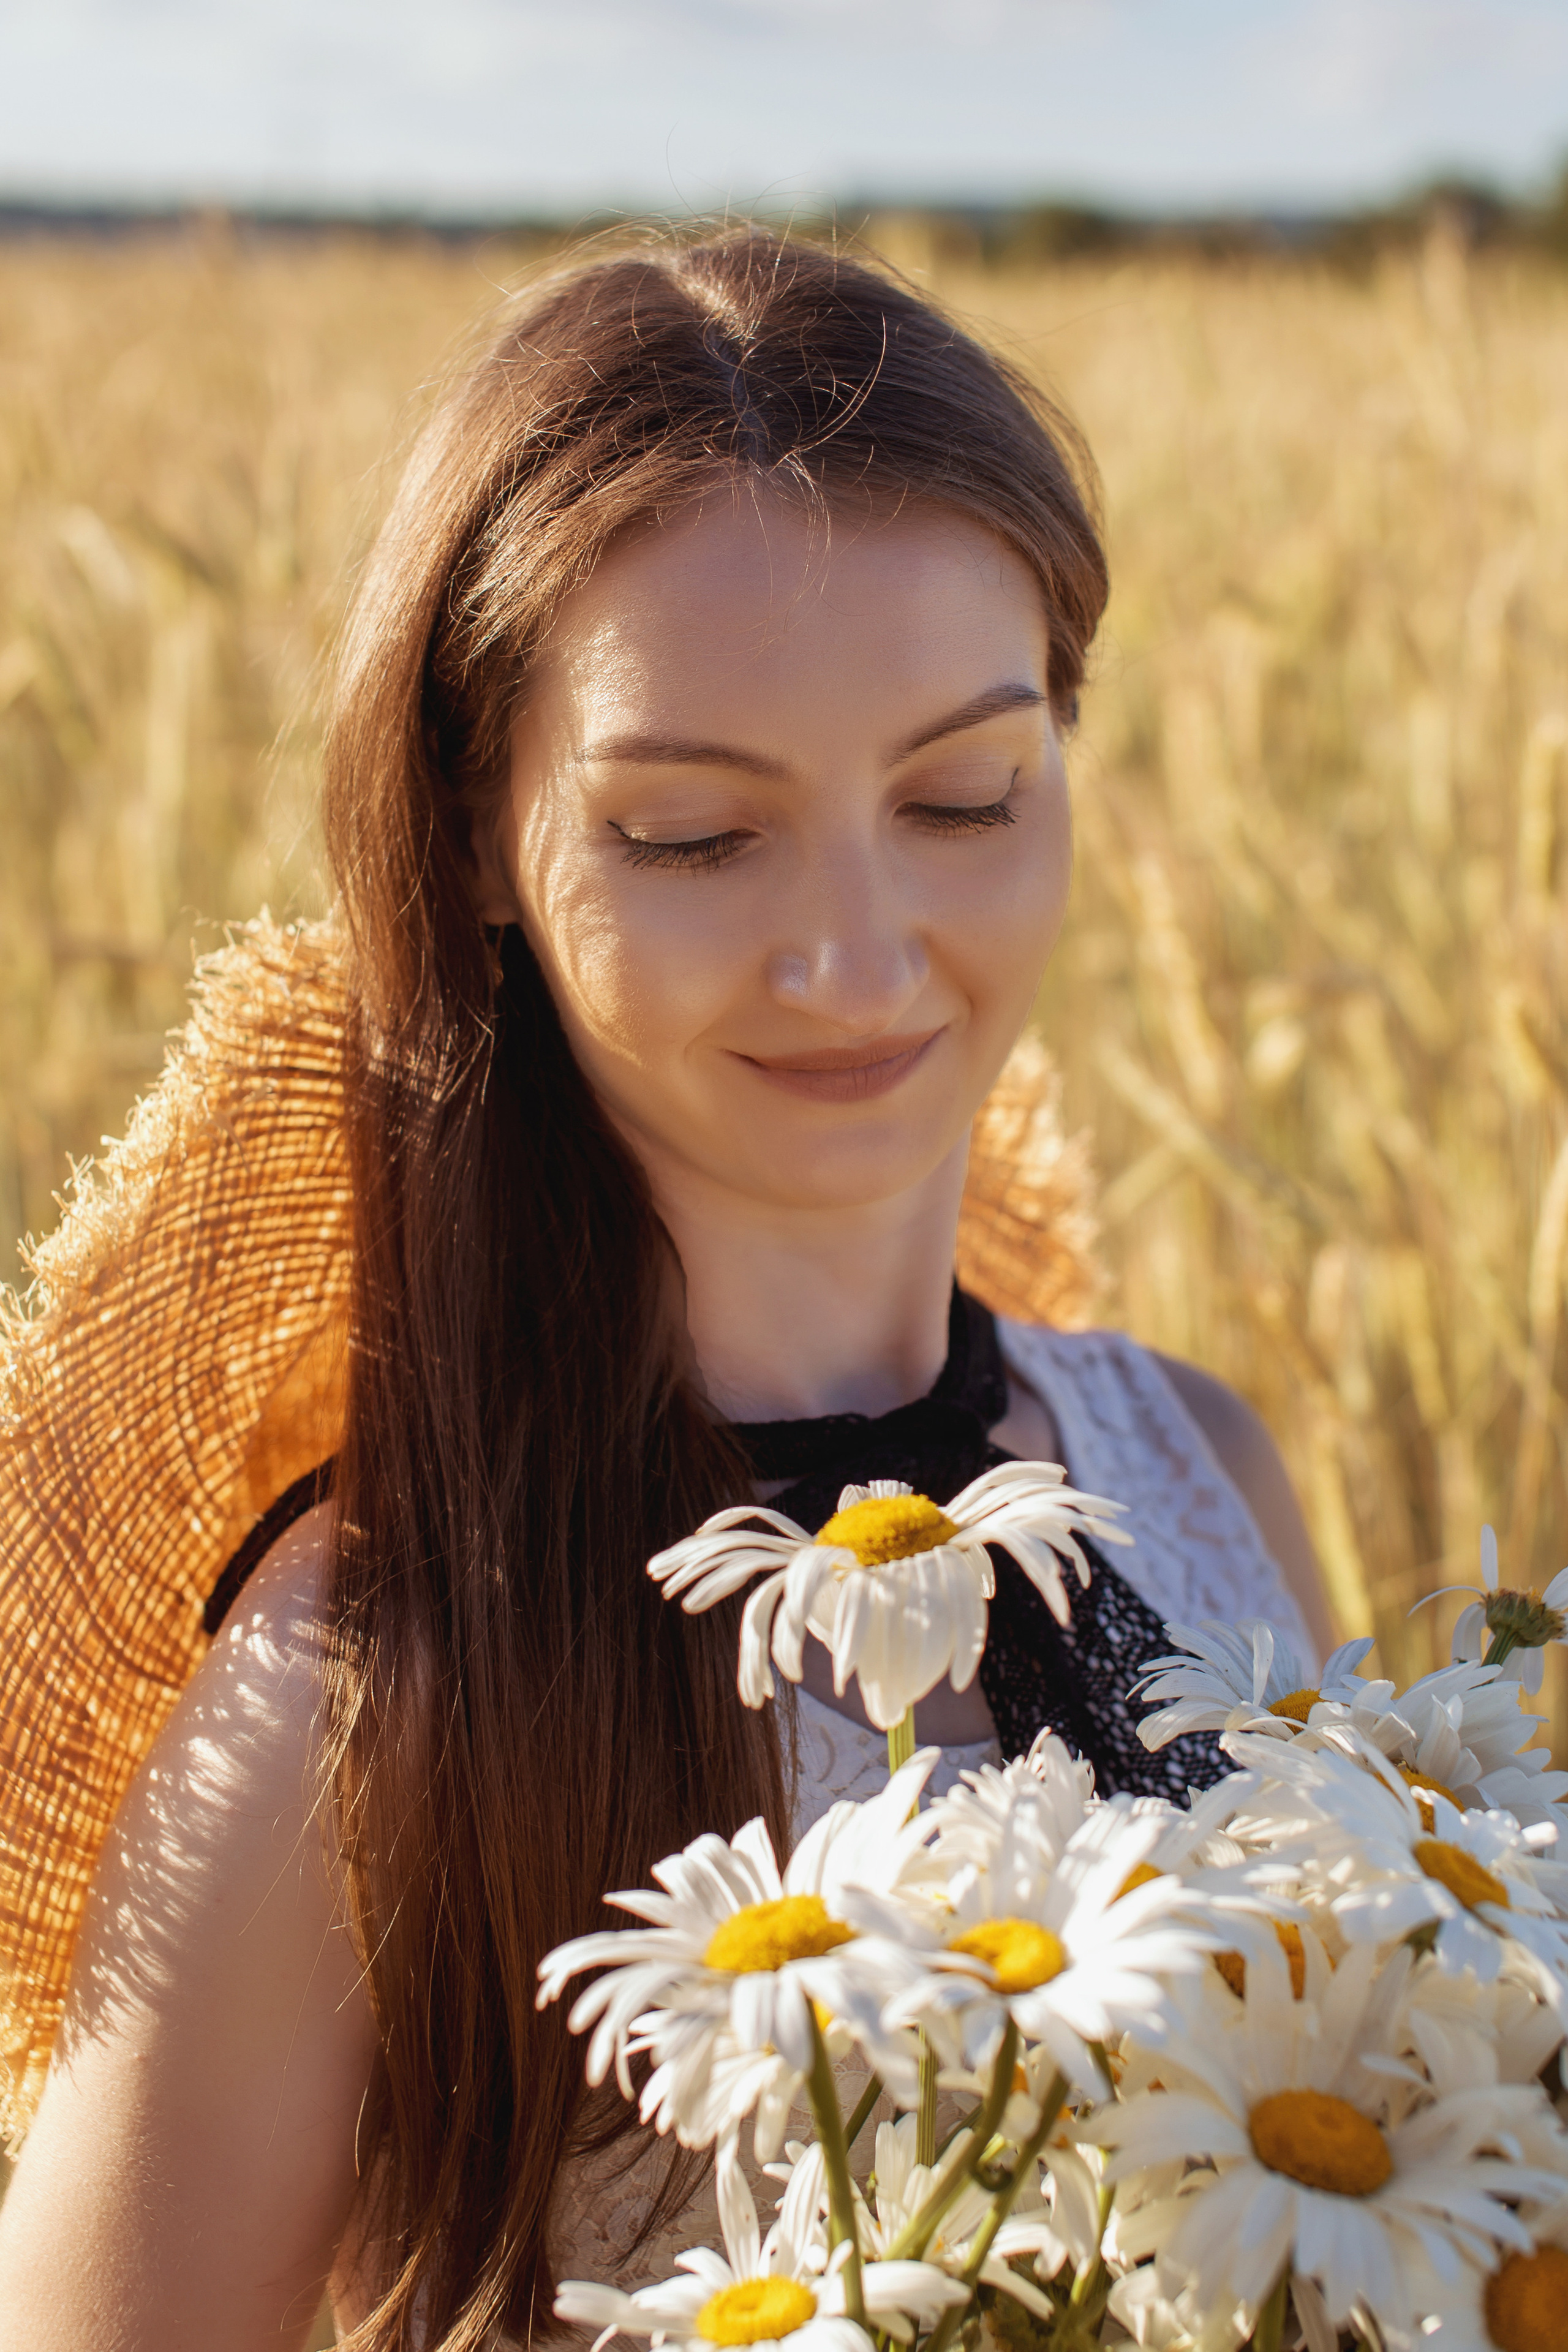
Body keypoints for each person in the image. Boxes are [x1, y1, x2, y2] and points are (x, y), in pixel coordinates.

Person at [0, 227, 1329, 2352]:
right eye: (696, 836)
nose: (862, 954)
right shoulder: (378, 1689)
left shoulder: (1209, 1476)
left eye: (964, 795)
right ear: (472, 848)